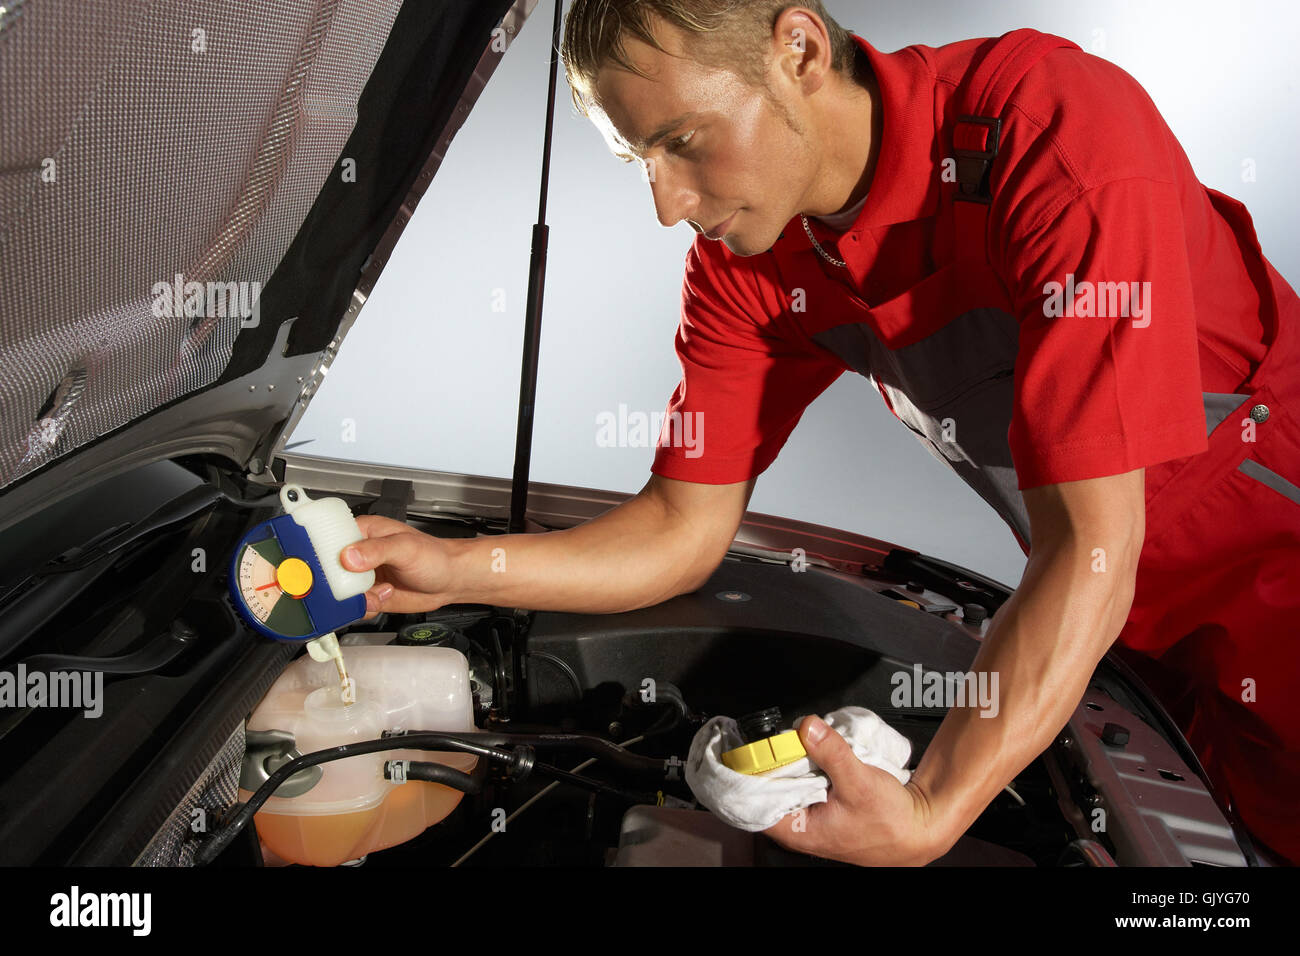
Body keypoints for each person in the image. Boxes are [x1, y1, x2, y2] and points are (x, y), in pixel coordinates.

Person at [340, 1, 1299, 865]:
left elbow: (1095, 542)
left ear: (797, 48)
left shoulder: (1049, 135)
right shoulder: (752, 266)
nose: (666, 203)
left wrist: (934, 805)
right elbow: (681, 528)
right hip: (1133, 648)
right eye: (641, 161)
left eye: (681, 142)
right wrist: (450, 568)